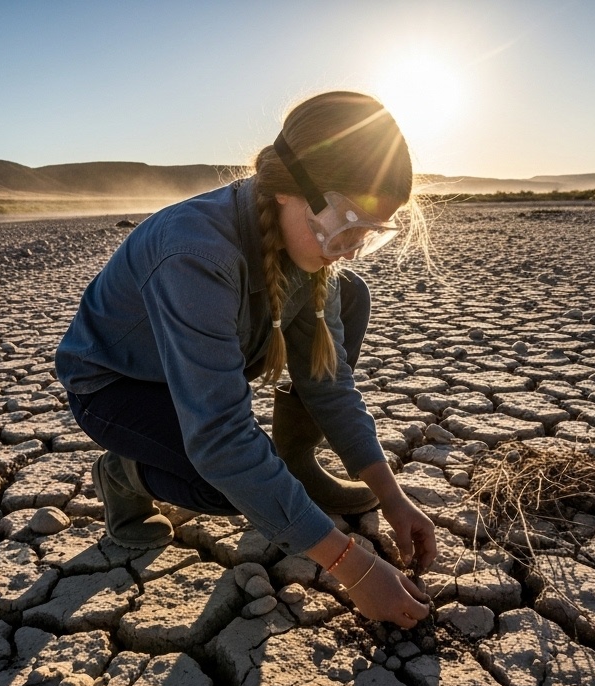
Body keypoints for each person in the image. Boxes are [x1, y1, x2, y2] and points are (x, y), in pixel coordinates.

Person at [55, 91, 436, 629]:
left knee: (350, 294)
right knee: (226, 483)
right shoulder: (194, 253)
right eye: (346, 223)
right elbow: (221, 439)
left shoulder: (305, 250)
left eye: (370, 234)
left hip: (192, 370)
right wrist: (354, 569)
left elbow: (329, 383)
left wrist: (392, 498)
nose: (351, 248)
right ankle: (124, 475)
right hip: (118, 386)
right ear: (286, 187)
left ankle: (295, 464)